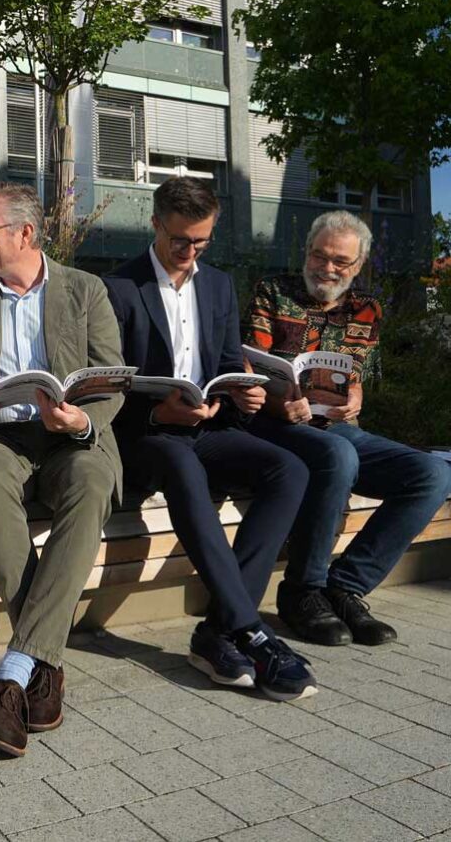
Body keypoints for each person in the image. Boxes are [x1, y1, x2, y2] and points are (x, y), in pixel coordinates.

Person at [103, 176, 315, 702]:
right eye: (180, 240)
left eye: (201, 241)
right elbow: (106, 384)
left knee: (290, 469)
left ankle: (218, 630)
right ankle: (250, 631)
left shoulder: (217, 284)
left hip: (208, 426)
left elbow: (223, 363)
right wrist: (158, 411)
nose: (190, 251)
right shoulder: (118, 287)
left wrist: (242, 394)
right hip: (146, 437)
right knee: (183, 466)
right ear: (155, 224)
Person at [0, 183, 124, 756]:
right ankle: (38, 666)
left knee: (91, 481)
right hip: (1, 434)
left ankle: (16, 669)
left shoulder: (84, 290)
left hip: (70, 437)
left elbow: (111, 377)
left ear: (24, 234)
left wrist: (78, 421)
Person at [244, 210, 451, 646]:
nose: (328, 268)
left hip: (338, 429)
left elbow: (354, 375)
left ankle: (345, 587)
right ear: (307, 253)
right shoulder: (272, 292)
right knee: (338, 455)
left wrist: (356, 397)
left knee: (433, 473)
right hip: (275, 426)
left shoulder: (366, 308)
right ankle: (302, 590)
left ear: (358, 267)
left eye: (341, 262)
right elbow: (249, 369)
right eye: (320, 256)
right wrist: (283, 404)